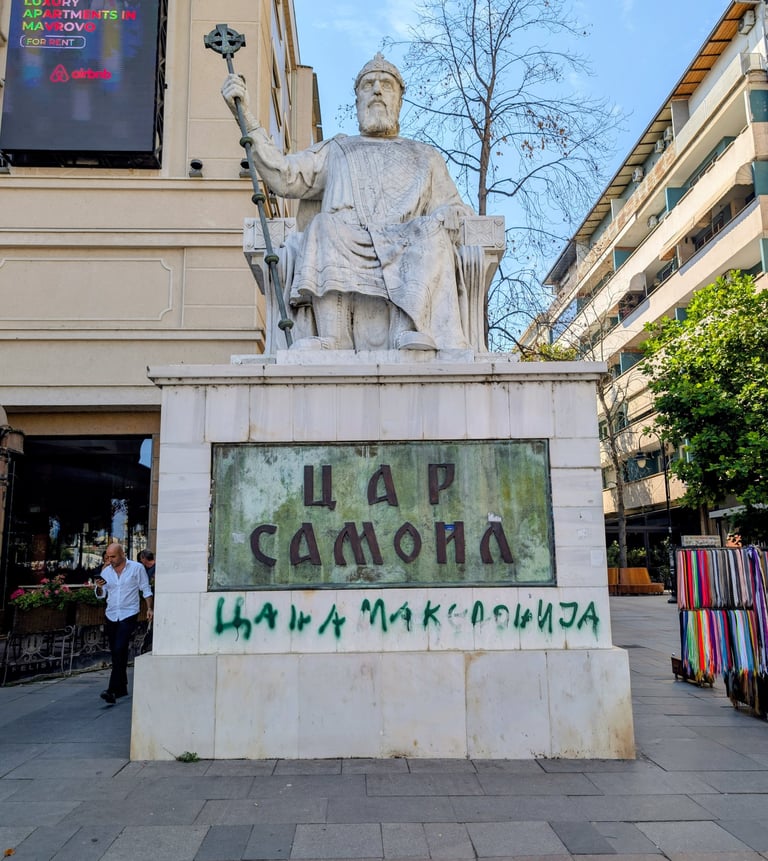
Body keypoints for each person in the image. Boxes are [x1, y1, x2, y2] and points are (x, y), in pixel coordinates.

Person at [222, 54, 474, 353]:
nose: (377, 90)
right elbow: (285, 175)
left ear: (399, 101)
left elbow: (454, 207)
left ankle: (411, 330)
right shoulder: (337, 149)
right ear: (357, 102)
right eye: (368, 85)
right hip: (346, 239)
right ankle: (333, 336)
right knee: (323, 225)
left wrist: (450, 215)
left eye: (386, 85)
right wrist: (246, 118)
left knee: (430, 232)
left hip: (406, 240)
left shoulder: (426, 156)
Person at [94, 542, 153, 704]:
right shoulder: (106, 572)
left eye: (113, 556)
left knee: (120, 648)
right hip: (112, 613)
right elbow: (101, 594)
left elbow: (145, 588)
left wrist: (149, 608)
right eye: (108, 557)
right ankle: (122, 687)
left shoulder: (136, 568)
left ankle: (112, 690)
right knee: (116, 651)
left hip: (129, 613)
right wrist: (99, 587)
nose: (110, 560)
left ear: (122, 555)